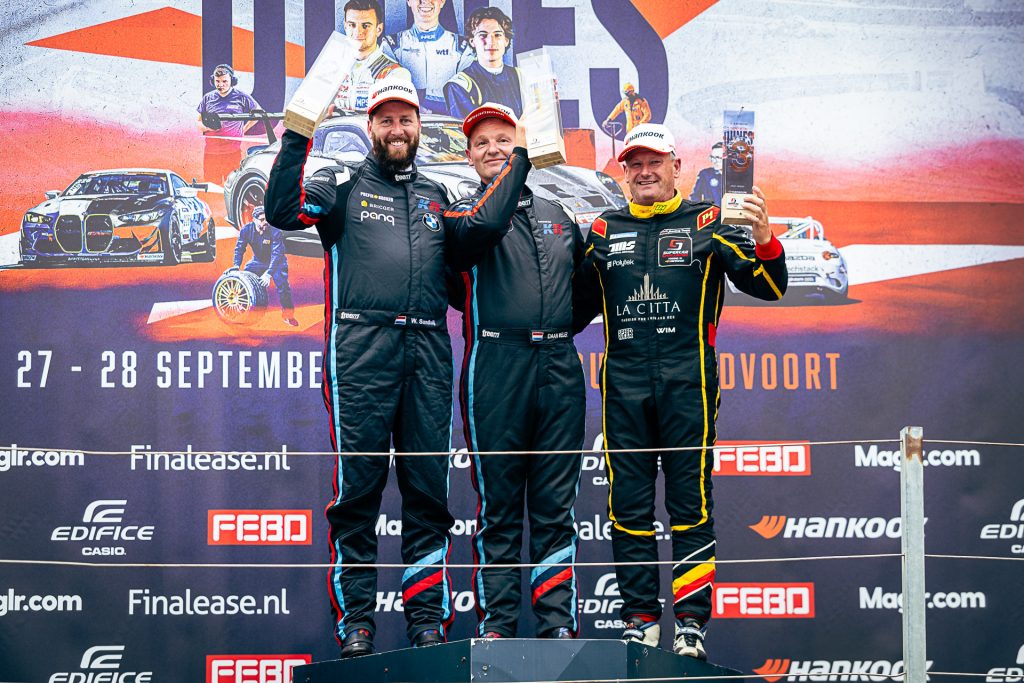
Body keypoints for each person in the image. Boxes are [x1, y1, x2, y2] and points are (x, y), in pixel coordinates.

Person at [264, 78, 531, 658]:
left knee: (428, 497)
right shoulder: (340, 187)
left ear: (418, 126)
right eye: (385, 120)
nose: (397, 129)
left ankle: (426, 624)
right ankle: (356, 625)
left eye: (405, 119)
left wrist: (525, 155)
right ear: (371, 127)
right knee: (357, 496)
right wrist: (298, 135)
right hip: (361, 350)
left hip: (429, 351)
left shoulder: (438, 194)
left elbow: (483, 231)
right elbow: (281, 211)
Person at [572, 123, 788, 661]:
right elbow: (568, 311)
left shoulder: (709, 222)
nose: (645, 172)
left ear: (676, 167)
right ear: (623, 173)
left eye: (655, 162)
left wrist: (765, 238)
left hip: (688, 387)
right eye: (635, 164)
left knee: (690, 507)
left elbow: (770, 286)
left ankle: (690, 626)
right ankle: (640, 621)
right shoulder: (602, 230)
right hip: (623, 391)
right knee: (628, 509)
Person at [448, 103, 585, 639]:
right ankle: (498, 628)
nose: (494, 149)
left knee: (555, 507)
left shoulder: (559, 212)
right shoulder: (462, 211)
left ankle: (557, 626)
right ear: (468, 156)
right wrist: (522, 158)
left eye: (504, 139)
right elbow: (480, 231)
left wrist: (553, 330)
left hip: (558, 365)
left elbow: (584, 292)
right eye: (481, 143)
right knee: (500, 509)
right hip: (495, 365)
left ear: (519, 143)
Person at [383, 0, 473, 114]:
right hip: (404, 119)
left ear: (442, 2)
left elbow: (464, 97)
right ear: (409, 1)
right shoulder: (391, 45)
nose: (425, 1)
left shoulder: (462, 47)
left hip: (448, 121)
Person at [333, 0, 412, 112]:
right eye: (352, 25)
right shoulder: (331, 69)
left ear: (378, 29)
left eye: (365, 26)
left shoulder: (396, 74)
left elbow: (389, 119)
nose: (358, 32)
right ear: (345, 27)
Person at [443, 7, 522, 119]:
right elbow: (472, 129)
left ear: (506, 41)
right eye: (483, 35)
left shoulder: (521, 77)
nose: (491, 41)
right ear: (472, 41)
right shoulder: (460, 85)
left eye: (497, 35)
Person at [228, 205, 298, 327]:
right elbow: (239, 248)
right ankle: (241, 309)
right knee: (244, 280)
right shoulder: (246, 230)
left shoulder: (275, 230)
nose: (265, 222)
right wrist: (236, 265)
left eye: (267, 219)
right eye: (261, 219)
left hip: (277, 262)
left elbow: (277, 254)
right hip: (258, 261)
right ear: (254, 219)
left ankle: (288, 315)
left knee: (283, 286)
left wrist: (268, 273)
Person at [196, 64, 261, 185]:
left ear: (232, 81)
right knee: (212, 188)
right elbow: (198, 122)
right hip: (211, 154)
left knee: (232, 187)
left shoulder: (241, 96)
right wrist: (207, 128)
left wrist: (243, 130)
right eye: (217, 81)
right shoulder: (208, 98)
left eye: (224, 81)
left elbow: (258, 113)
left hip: (232, 154)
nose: (220, 85)